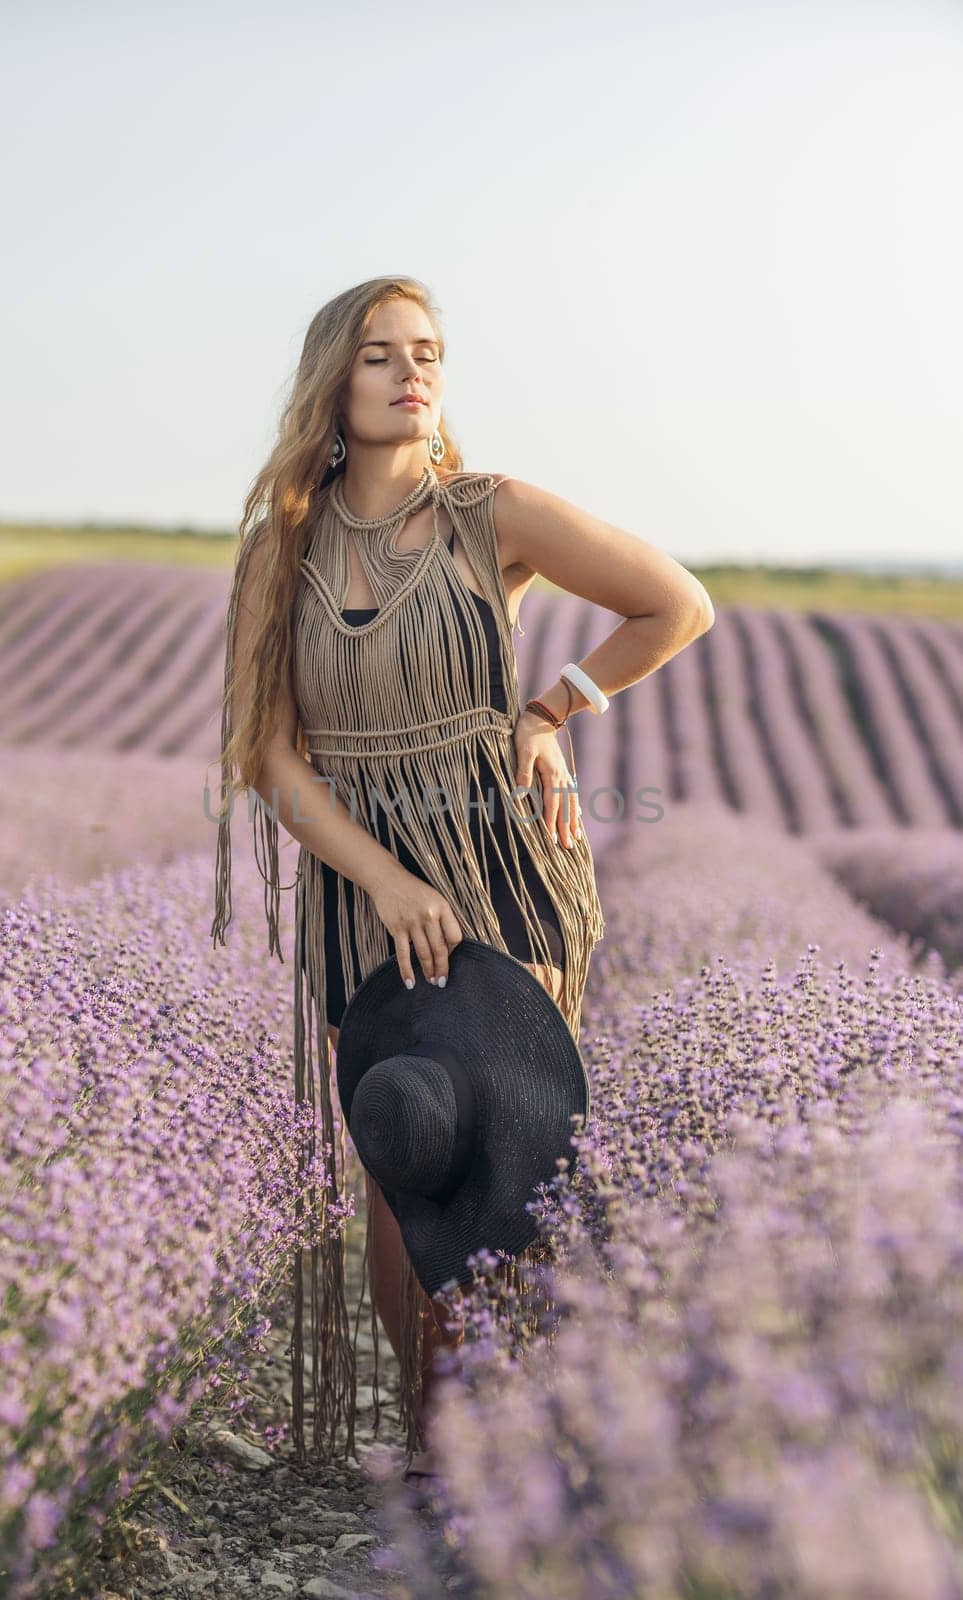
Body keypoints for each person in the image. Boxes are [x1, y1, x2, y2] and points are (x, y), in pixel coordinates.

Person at [211, 275, 715, 1473]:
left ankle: (514, 1448)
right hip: (362, 885)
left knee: (507, 1156)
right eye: (380, 354)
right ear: (334, 379)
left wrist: (550, 710)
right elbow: (267, 755)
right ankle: (443, 1449)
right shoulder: (282, 539)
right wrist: (383, 880)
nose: (410, 373)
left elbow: (674, 604)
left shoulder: (492, 514)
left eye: (427, 352)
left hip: (499, 861)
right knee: (407, 1163)